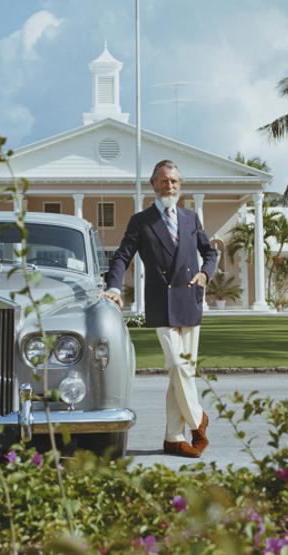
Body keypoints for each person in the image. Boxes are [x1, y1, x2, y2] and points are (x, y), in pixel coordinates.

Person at [103, 159, 219, 457]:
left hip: (190, 300)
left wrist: (206, 273)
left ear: (180, 185)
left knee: (180, 373)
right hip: (162, 303)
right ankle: (198, 419)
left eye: (174, 182)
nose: (170, 186)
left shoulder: (191, 218)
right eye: (164, 181)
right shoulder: (141, 221)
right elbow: (121, 256)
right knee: (178, 366)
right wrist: (114, 288)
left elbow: (209, 251)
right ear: (153, 184)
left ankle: (172, 438)